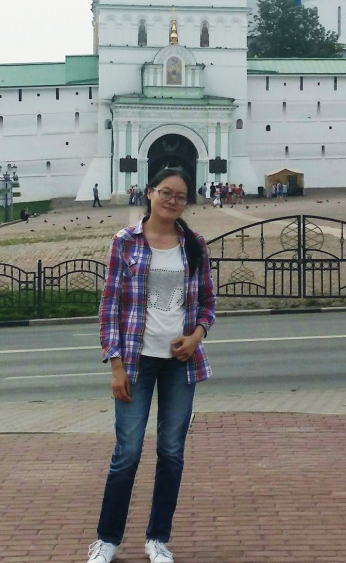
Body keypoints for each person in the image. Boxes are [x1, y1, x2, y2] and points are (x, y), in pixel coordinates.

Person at [86, 167, 216, 563]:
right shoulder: (125, 242)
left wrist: (196, 337)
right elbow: (109, 306)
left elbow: (208, 304)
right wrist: (115, 364)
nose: (173, 200)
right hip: (136, 362)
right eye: (166, 192)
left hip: (181, 363)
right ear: (149, 193)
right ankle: (107, 540)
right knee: (126, 452)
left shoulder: (194, 244)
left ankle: (157, 539)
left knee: (172, 453)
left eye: (180, 196)